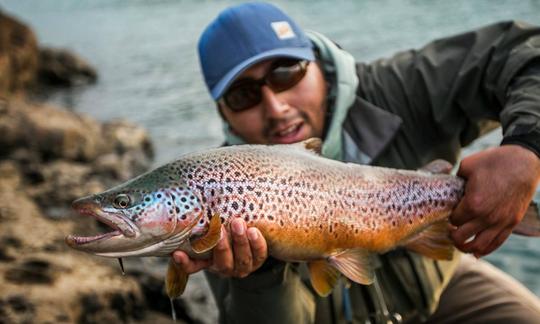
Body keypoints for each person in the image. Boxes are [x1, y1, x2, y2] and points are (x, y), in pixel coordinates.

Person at [173, 2, 540, 323]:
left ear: (317, 60)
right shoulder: (217, 189)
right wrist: (257, 275)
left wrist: (527, 146)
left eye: (286, 74)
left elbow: (524, 50)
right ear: (224, 112)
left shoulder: (398, 89)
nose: (276, 108)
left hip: (438, 284)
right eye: (243, 96)